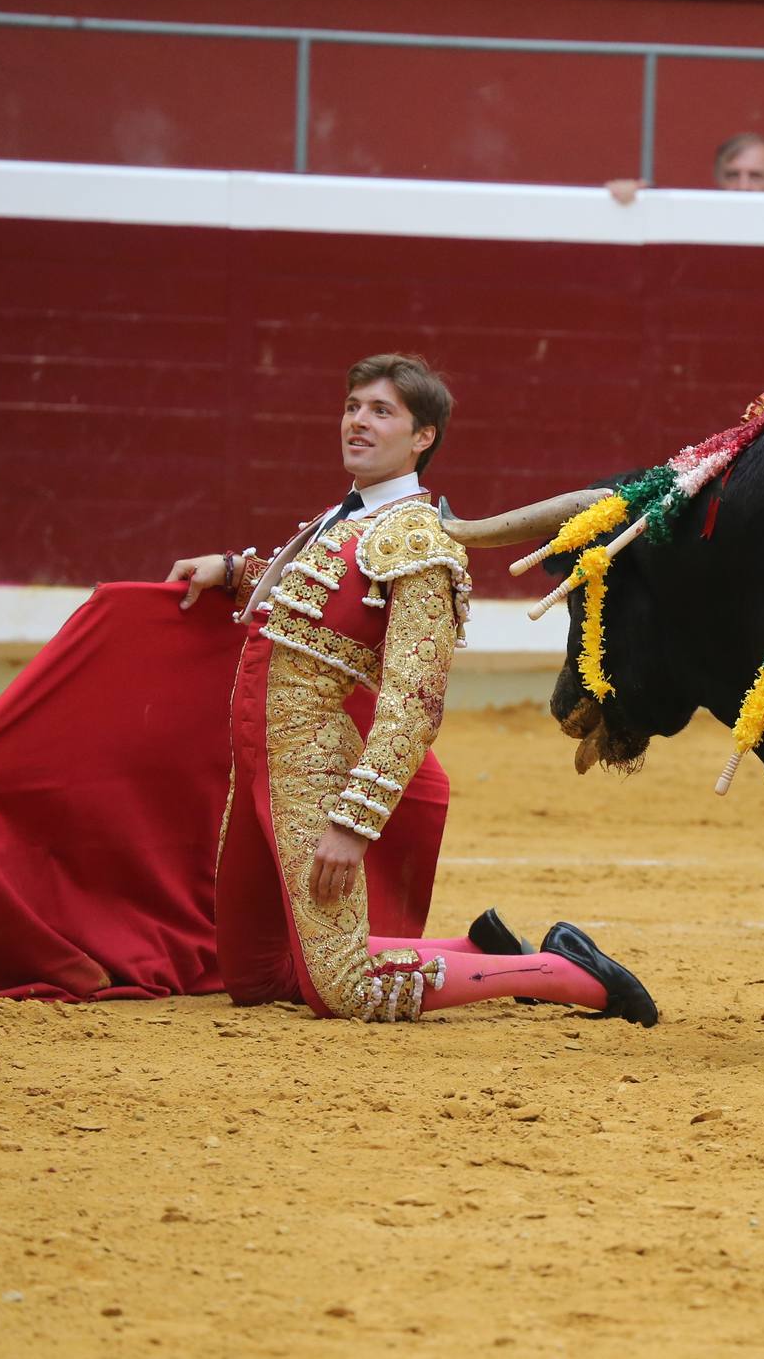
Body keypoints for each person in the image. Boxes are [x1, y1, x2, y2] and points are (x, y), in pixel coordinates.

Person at [168, 353, 658, 1026]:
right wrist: (232, 568)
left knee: (344, 989)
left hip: (315, 766)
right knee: (256, 974)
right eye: (351, 407)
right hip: (264, 764)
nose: (357, 423)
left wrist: (352, 822)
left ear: (422, 436)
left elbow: (412, 702)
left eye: (380, 411)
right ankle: (473, 948)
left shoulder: (420, 542)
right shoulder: (347, 520)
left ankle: (564, 973)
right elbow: (310, 605)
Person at [606, 131, 764, 205]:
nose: (743, 186)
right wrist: (629, 194)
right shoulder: (697, 212)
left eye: (756, 176)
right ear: (718, 178)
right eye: (732, 175)